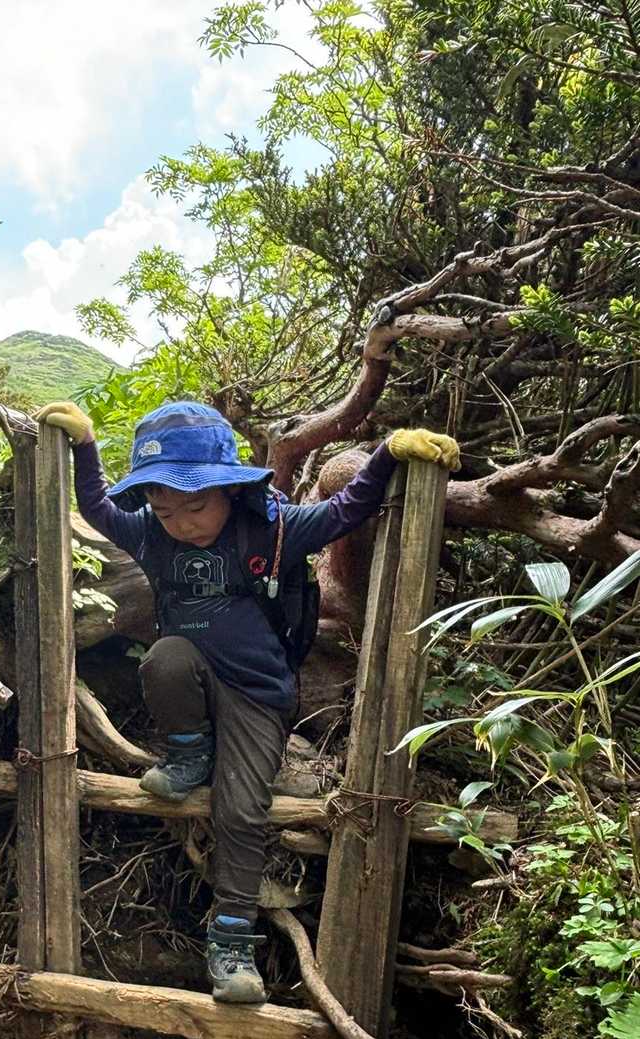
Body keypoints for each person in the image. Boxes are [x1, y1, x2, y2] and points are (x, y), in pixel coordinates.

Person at [37, 398, 460, 1005]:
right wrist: (84, 446)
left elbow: (345, 509)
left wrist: (388, 454)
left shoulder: (273, 529)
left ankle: (232, 943)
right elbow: (99, 507)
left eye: (195, 505)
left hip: (258, 696)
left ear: (230, 490)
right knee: (164, 658)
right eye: (165, 508)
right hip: (193, 685)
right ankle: (189, 754)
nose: (181, 523)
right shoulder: (150, 534)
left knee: (240, 810)